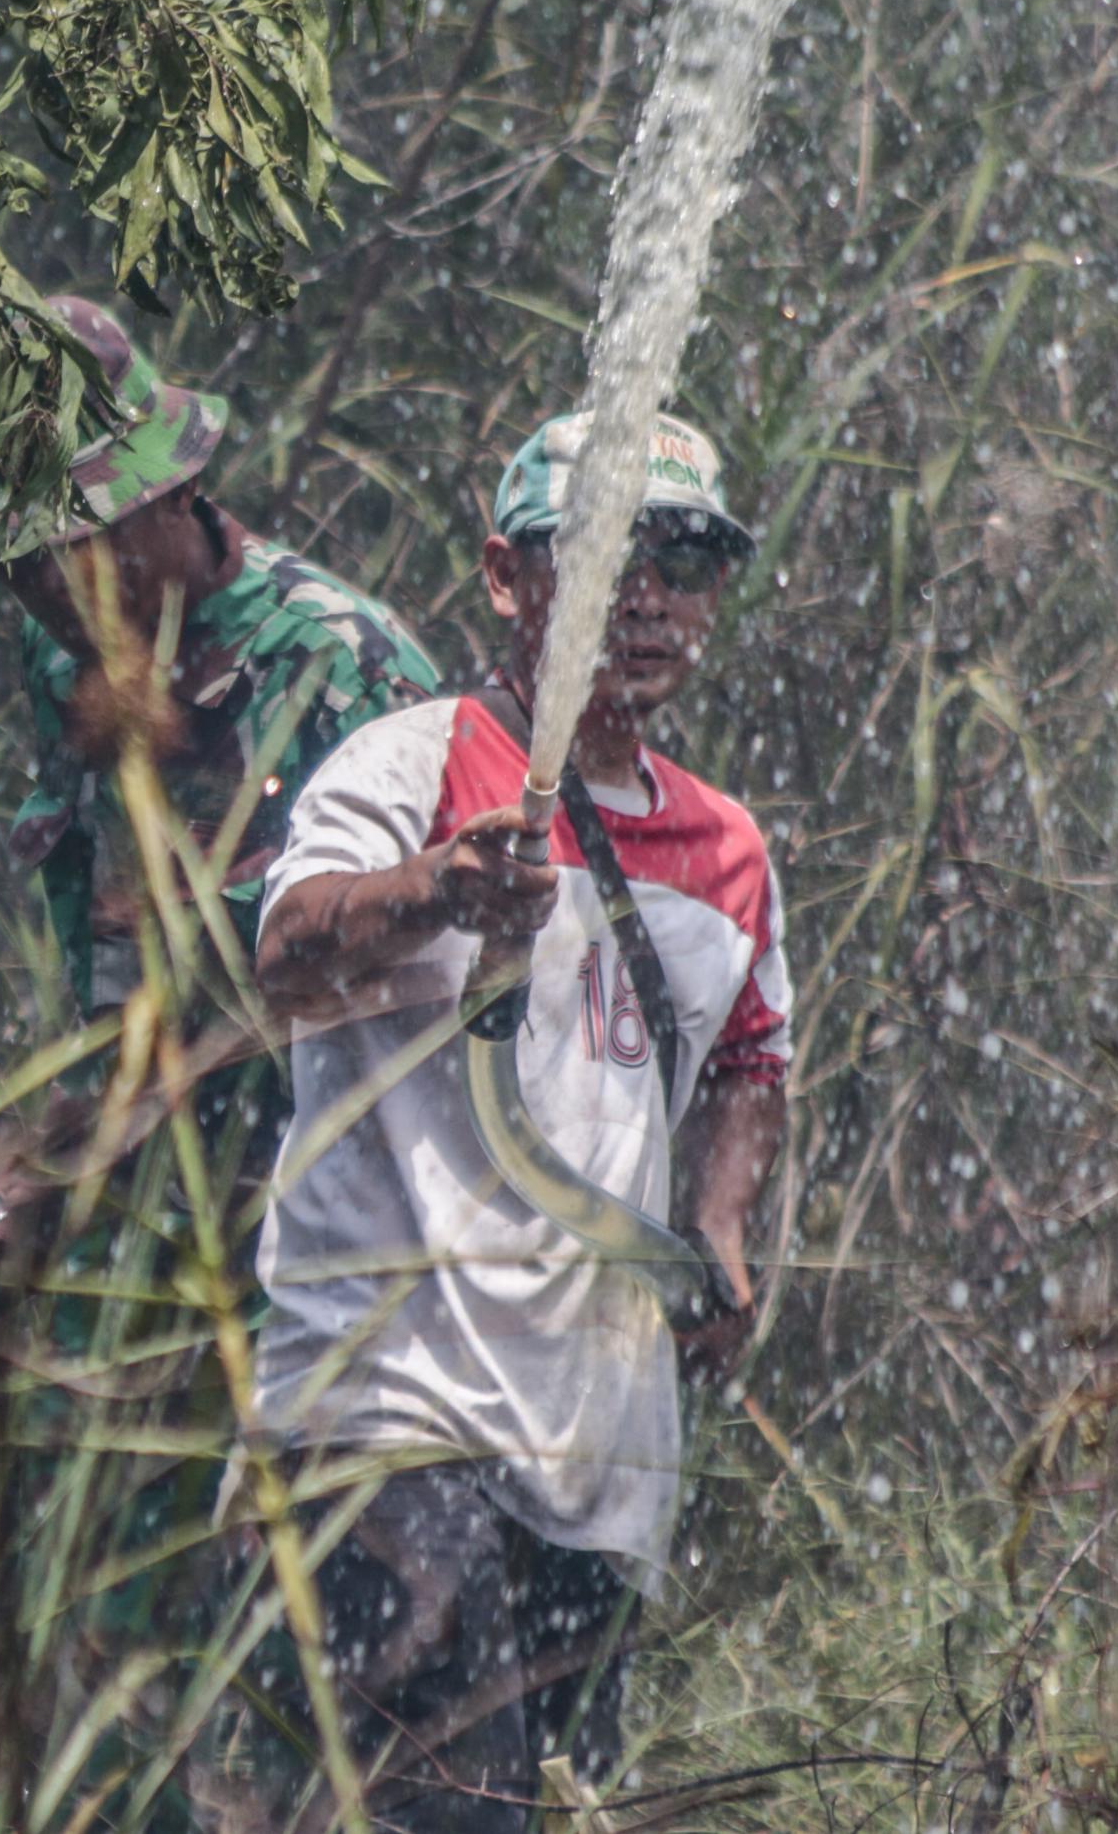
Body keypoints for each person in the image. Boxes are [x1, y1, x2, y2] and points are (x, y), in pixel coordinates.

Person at [243, 412, 793, 1829]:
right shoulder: (415, 764)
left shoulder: (725, 850)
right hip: (388, 1414)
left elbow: (750, 1053)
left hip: (595, 1455)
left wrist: (719, 1223)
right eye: (610, 554)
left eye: (684, 560)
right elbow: (286, 954)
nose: (652, 595)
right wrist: (433, 890)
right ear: (507, 576)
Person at [0, 296, 443, 1158]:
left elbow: (429, 983)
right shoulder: (62, 655)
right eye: (15, 561)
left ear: (179, 490)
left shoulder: (343, 666)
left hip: (312, 1197)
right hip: (130, 1186)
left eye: (81, 545)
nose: (52, 588)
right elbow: (104, 929)